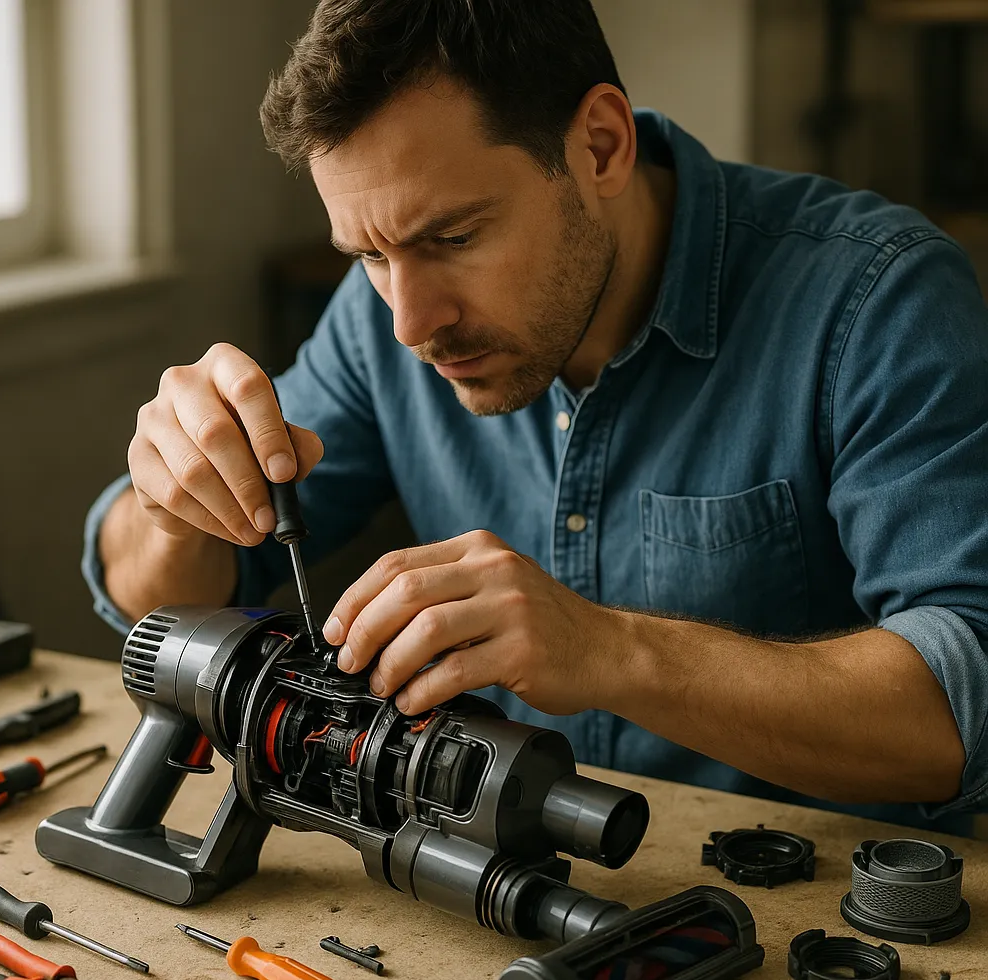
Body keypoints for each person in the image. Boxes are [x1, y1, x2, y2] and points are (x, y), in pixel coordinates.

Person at [84, 0, 988, 834]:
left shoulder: (877, 301)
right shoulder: (382, 318)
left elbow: (965, 709)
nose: (410, 324)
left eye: (454, 237)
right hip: (496, 883)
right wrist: (170, 511)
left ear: (600, 146)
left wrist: (610, 650)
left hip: (819, 909)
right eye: (369, 255)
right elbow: (165, 600)